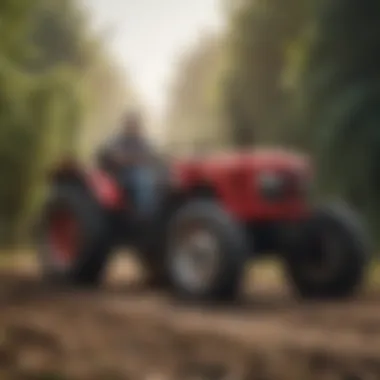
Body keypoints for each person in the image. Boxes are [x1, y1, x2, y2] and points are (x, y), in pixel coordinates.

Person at [104, 111, 159, 221]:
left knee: (156, 180)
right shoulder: (118, 141)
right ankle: (144, 216)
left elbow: (151, 155)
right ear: (126, 125)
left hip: (141, 170)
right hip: (122, 173)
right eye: (131, 124)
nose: (133, 127)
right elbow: (113, 155)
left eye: (135, 124)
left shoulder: (142, 141)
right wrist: (128, 160)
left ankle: (154, 212)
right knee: (141, 180)